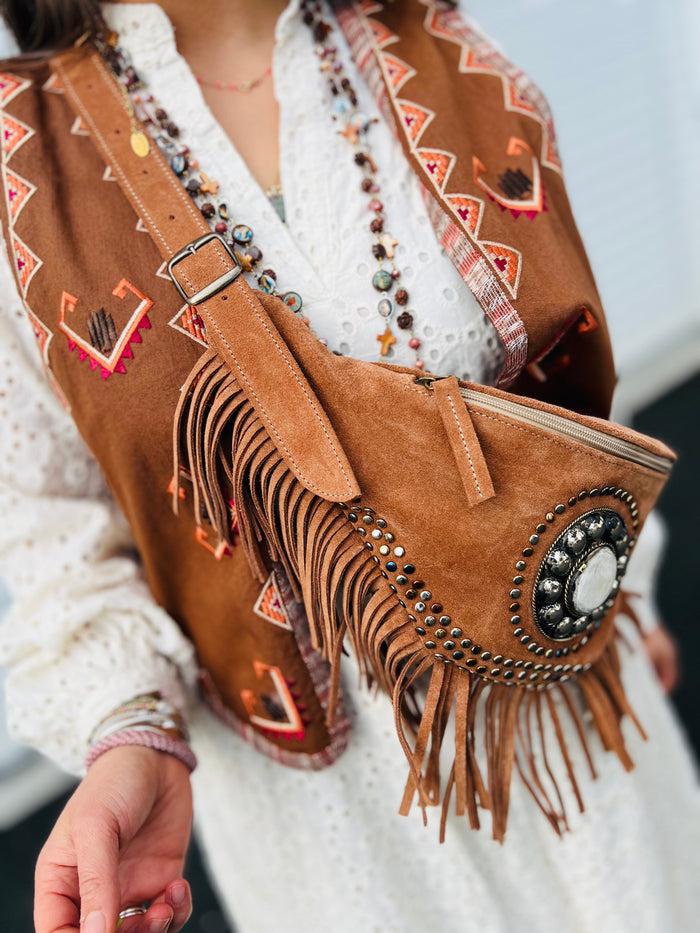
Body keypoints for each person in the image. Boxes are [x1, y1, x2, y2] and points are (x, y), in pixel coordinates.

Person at [0, 2, 697, 932]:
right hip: (341, 825)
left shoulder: (440, 48)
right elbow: (46, 531)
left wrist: (624, 577)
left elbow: (571, 370)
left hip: (570, 718)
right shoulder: (25, 164)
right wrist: (127, 732)